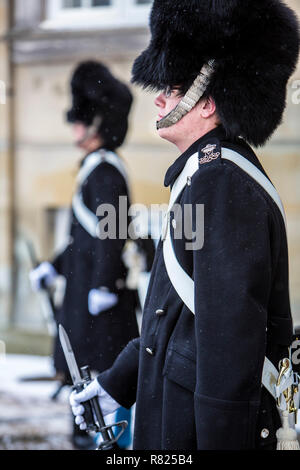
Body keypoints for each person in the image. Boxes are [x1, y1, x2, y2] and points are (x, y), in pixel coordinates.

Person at [69, 1, 300, 450]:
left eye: (173, 89)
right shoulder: (204, 176)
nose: (159, 98)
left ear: (207, 102)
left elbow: (230, 342)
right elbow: (174, 310)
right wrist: (120, 381)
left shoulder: (222, 184)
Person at [30, 61, 140, 449]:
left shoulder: (106, 173)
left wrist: (104, 284)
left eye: (81, 119)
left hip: (100, 305)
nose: (75, 127)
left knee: (97, 389)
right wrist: (53, 266)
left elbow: (112, 233)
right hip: (86, 298)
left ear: (96, 123)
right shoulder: (94, 170)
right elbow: (83, 237)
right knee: (82, 384)